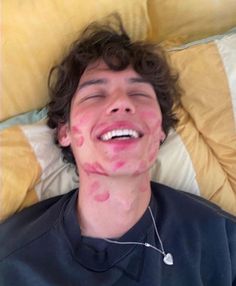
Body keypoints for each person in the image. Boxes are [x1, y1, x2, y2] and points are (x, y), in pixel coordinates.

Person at [0, 18, 235, 286]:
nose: (122, 102)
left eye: (139, 93)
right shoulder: (11, 261)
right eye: (95, 95)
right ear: (64, 131)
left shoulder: (220, 239)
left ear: (160, 130)